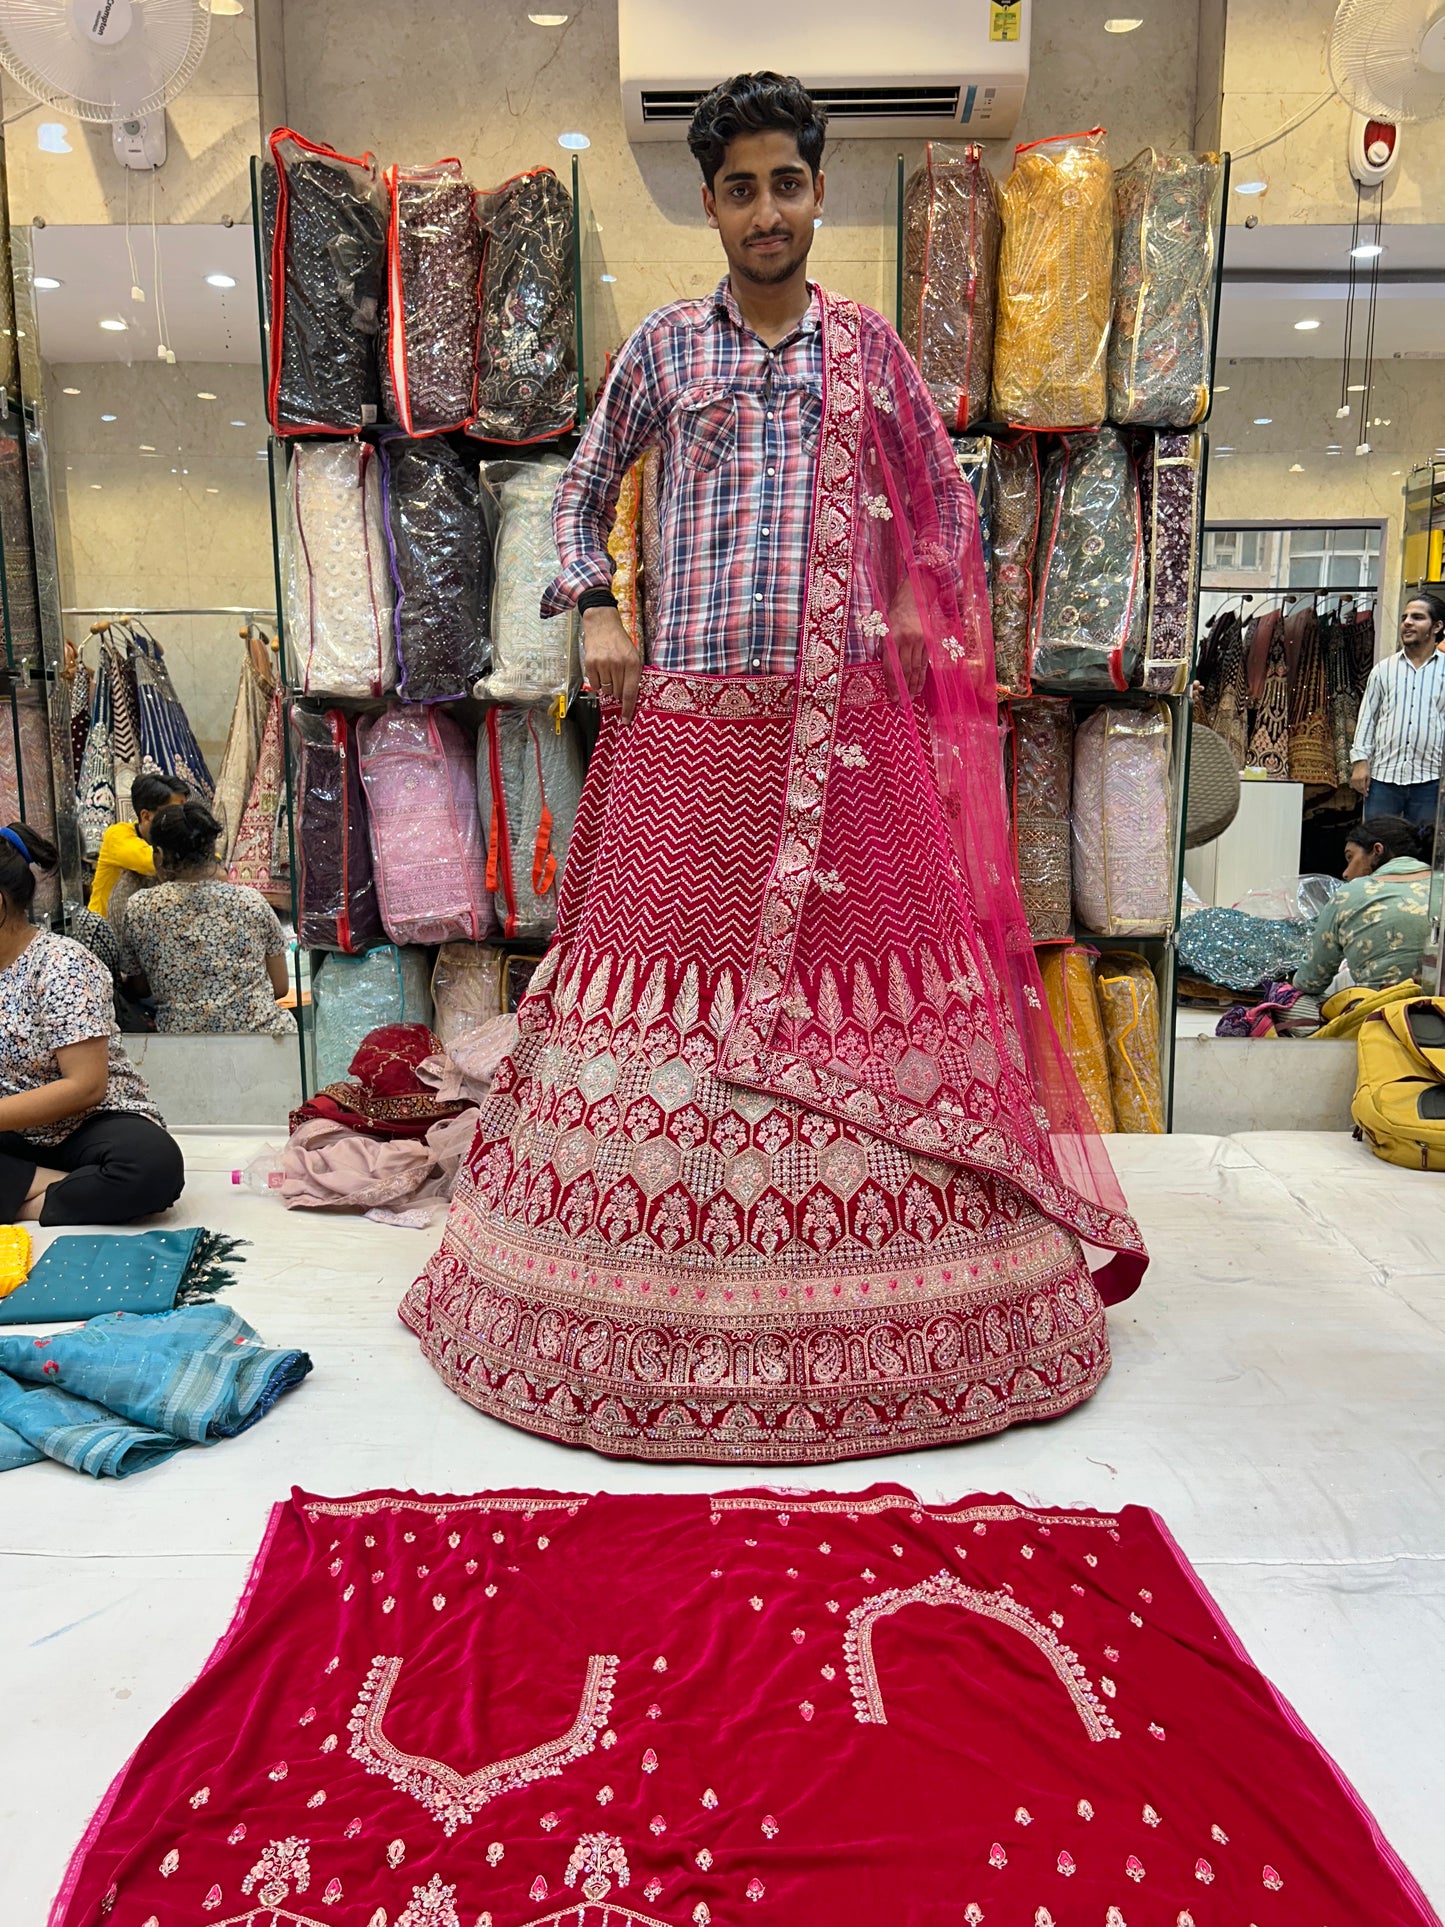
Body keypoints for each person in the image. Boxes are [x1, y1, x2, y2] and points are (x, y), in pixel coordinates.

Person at [401, 72, 1145, 1465]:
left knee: (864, 997)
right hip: (688, 726)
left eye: (784, 184)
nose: (763, 210)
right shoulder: (664, 351)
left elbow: (942, 508)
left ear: (818, 193)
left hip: (841, 739)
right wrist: (599, 599)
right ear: (709, 203)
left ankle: (922, 1311)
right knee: (657, 1003)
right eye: (737, 188)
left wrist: (919, 616)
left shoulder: (869, 353)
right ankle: (624, 1310)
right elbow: (576, 487)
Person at [0, 821, 184, 1225]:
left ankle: (23, 1197)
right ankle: (66, 1188)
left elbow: (85, 1086)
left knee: (152, 1167)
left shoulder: (61, 963)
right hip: (13, 1135)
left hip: (89, 1125)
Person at [118, 802, 296, 1037]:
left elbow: (140, 987)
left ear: (159, 855)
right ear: (212, 850)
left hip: (183, 1046)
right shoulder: (250, 900)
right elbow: (280, 986)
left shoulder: (139, 908)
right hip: (262, 1040)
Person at [1293, 815, 1432, 999]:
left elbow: (1310, 982)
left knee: (1289, 1002)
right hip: (1439, 1010)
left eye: (1350, 858)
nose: (1345, 872)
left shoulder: (1350, 894)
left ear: (1377, 850)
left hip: (1376, 1017)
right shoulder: (1440, 883)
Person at [1348, 593, 1445, 830]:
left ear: (1437, 627)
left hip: (1430, 780)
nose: (1408, 622)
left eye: (1417, 617)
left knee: (1421, 853)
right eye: (1405, 617)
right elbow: (1367, 719)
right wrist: (1360, 762)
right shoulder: (1383, 670)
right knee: (1375, 846)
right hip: (1383, 780)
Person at [88, 772, 189, 920]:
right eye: (174, 814)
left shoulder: (169, 839)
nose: (182, 820)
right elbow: (155, 862)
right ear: (146, 816)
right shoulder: (117, 835)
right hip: (104, 933)